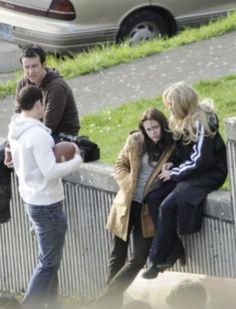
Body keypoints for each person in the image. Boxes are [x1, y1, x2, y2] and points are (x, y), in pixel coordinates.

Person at [142, 81, 228, 279]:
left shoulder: (203, 121)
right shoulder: (182, 119)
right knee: (153, 197)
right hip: (191, 171)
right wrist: (172, 164)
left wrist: (175, 173)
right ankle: (174, 248)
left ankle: (157, 261)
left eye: (171, 103)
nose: (169, 107)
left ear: (181, 102)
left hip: (209, 173)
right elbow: (185, 153)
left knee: (168, 205)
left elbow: (201, 160)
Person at [7, 85, 83, 308]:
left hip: (31, 199)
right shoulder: (37, 135)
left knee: (48, 259)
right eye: (43, 104)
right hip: (47, 202)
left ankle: (50, 303)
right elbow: (50, 172)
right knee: (49, 263)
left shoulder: (15, 127)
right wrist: (77, 160)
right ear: (39, 104)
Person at [95, 108, 176, 309]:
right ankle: (111, 303)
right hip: (126, 203)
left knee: (139, 258)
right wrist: (128, 183)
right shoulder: (135, 141)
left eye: (156, 127)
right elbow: (119, 165)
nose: (153, 132)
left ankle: (102, 302)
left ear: (162, 125)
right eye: (148, 129)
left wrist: (172, 165)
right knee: (118, 256)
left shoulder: (171, 147)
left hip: (147, 209)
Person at [15, 44, 80, 141]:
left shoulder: (56, 87)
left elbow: (49, 126)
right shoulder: (23, 83)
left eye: (34, 66)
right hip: (34, 130)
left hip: (61, 134)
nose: (31, 71)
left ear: (44, 64)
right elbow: (17, 116)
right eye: (26, 67)